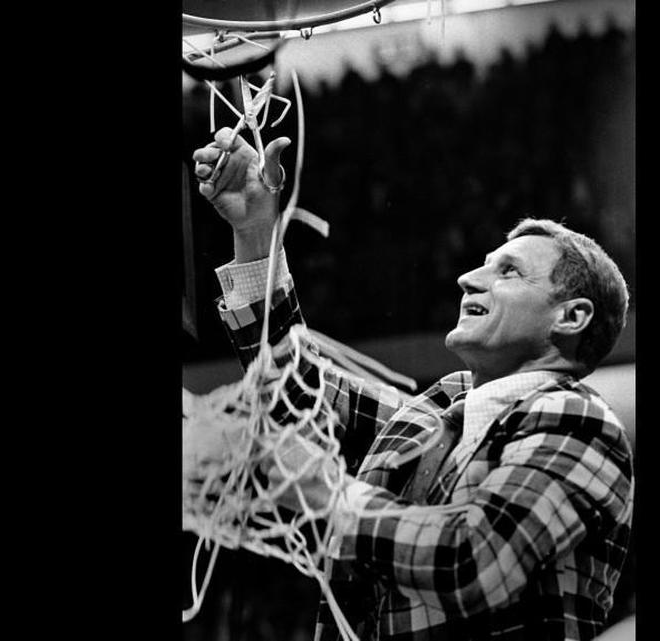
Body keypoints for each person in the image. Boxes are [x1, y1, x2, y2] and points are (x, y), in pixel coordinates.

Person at [192, 127, 634, 641]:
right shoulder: (442, 407)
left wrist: (330, 496)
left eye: (509, 272)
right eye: (483, 266)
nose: (469, 278)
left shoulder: (580, 419)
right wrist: (256, 229)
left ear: (572, 316)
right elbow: (297, 387)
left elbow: (475, 563)